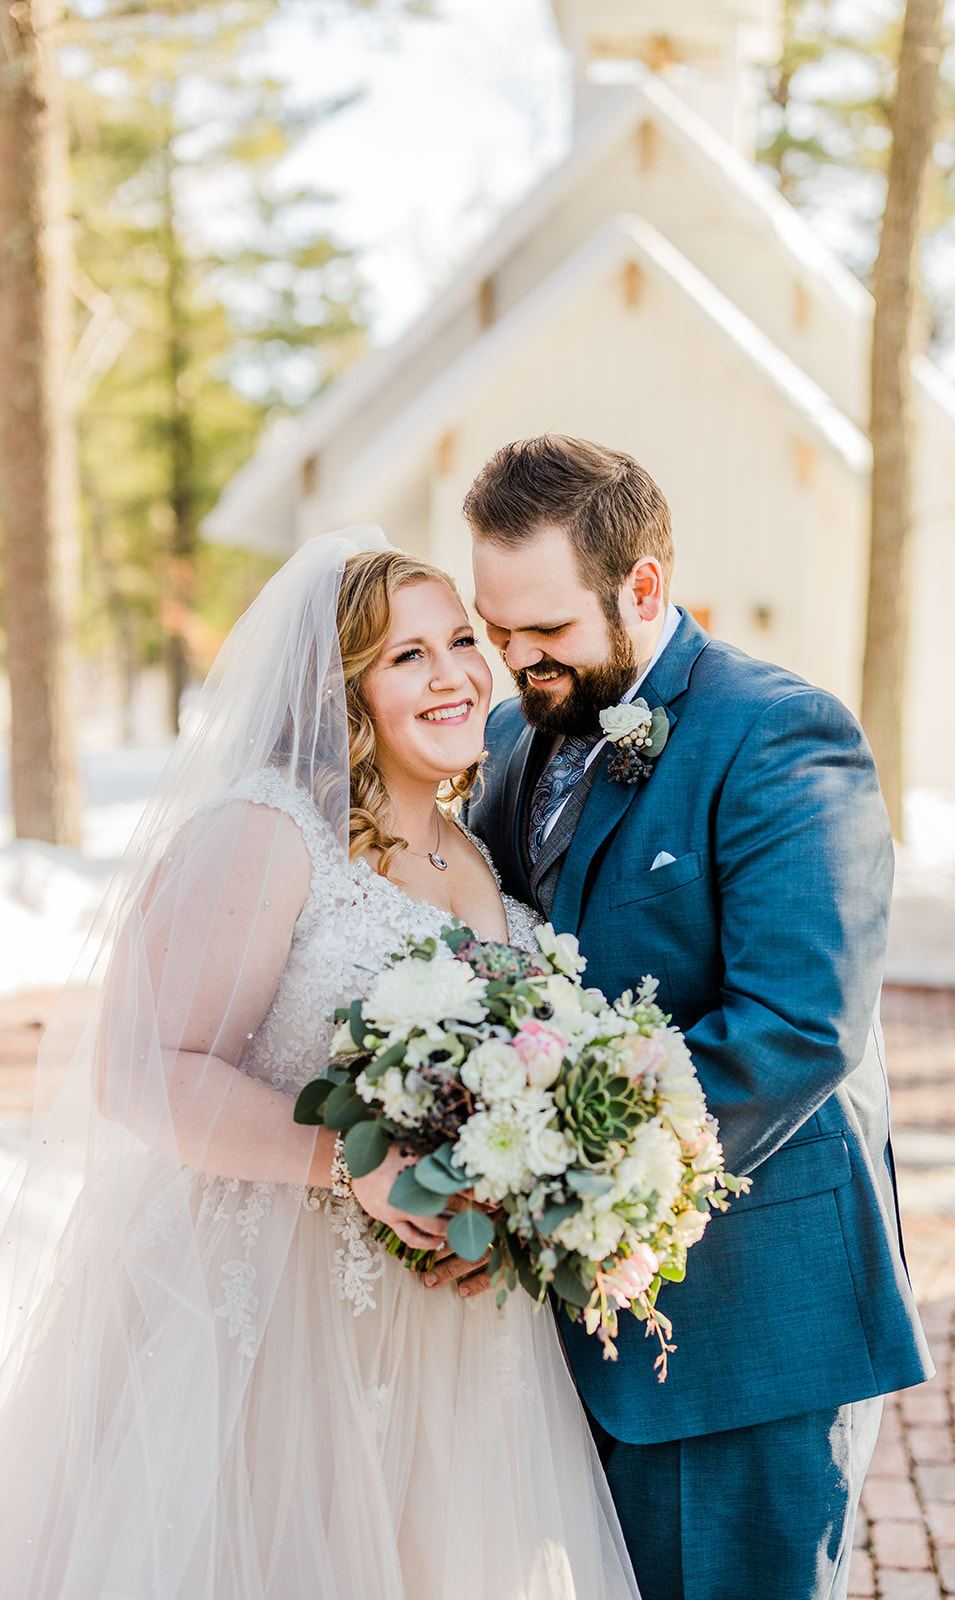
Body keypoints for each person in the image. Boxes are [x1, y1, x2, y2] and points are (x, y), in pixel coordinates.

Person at [0, 530, 639, 1600]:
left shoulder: (474, 851)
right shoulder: (271, 832)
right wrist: (357, 1165)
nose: (455, 676)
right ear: (343, 688)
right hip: (268, 1333)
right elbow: (142, 1067)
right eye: (406, 657)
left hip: (453, 1355)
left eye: (460, 642)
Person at [453, 434, 934, 1600]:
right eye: (494, 627)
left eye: (548, 630)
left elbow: (794, 1026)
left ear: (644, 586)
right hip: (559, 1335)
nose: (516, 660)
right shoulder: (511, 738)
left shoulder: (778, 734)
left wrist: (545, 1170)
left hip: (743, 1323)